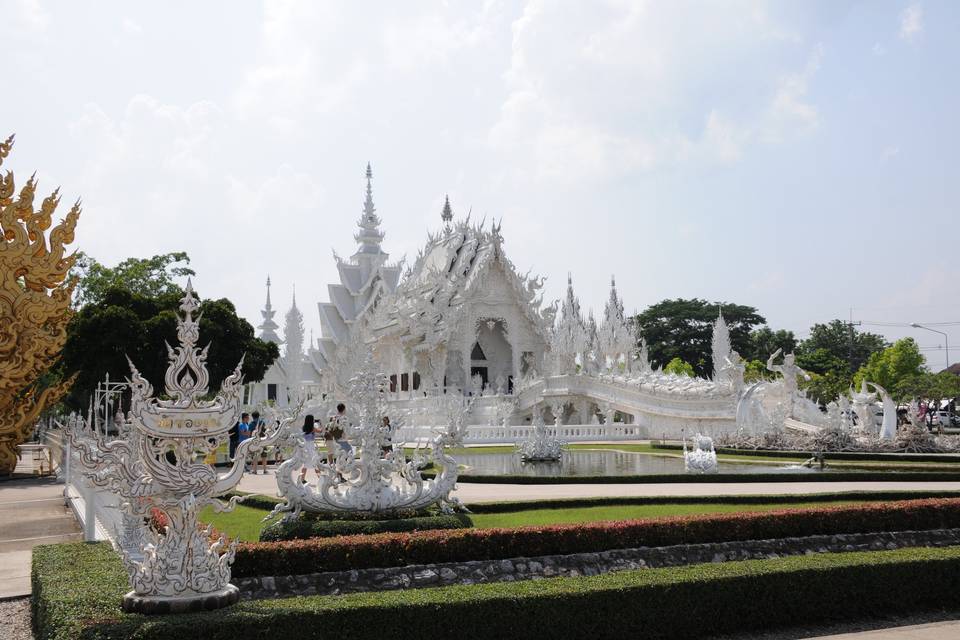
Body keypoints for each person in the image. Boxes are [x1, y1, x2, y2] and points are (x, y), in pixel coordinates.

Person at [298, 414, 318, 484]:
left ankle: (302, 479)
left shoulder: (303, 427)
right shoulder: (312, 428)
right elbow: (320, 430)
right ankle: (320, 477)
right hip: (311, 446)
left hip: (306, 446)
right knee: (316, 463)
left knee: (306, 464)